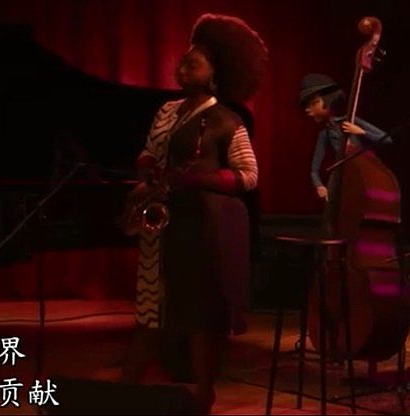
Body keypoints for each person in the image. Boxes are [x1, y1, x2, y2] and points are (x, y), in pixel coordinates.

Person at [120, 14, 266, 414]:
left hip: (201, 229)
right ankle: (125, 391)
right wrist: (147, 169)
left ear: (216, 73)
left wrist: (199, 179)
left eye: (193, 63)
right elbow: (150, 150)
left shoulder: (228, 121)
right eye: (182, 61)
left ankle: (203, 392)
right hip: (162, 227)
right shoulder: (167, 111)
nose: (182, 67)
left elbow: (249, 175)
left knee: (199, 316)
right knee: (149, 311)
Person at [299, 73, 391, 204]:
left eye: (314, 103)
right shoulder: (325, 134)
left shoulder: (352, 121)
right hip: (341, 180)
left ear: (328, 100)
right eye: (308, 105)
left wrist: (361, 132)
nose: (308, 110)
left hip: (363, 176)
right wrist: (318, 185)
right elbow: (314, 168)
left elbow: (386, 139)